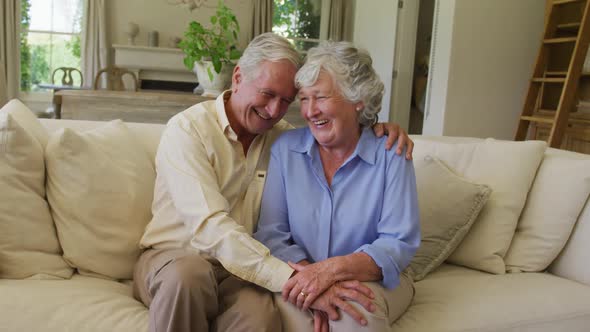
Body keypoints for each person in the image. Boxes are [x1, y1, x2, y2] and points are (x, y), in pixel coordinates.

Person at [133, 33, 414, 332]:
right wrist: (296, 279)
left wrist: (375, 127)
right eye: (268, 94)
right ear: (238, 77)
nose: (274, 111)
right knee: (187, 278)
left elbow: (343, 129)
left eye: (286, 101)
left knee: (260, 319)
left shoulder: (285, 140)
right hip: (176, 259)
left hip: (237, 274)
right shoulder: (188, 130)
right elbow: (211, 227)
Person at [254, 40, 421, 332]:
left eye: (319, 97)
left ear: (358, 99)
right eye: (304, 99)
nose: (310, 111)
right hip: (299, 272)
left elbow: (397, 242)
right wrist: (313, 282)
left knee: (355, 320)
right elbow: (272, 234)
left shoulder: (391, 153)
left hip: (374, 279)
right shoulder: (286, 151)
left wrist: (330, 271)